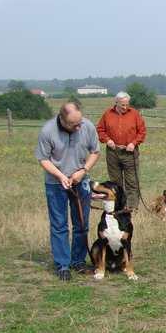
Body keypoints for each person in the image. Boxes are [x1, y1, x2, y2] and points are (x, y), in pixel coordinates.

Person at [34, 101, 100, 281]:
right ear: (62, 119)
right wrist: (60, 176)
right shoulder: (48, 131)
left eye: (80, 122)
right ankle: (62, 264)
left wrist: (83, 171)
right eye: (74, 124)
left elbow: (95, 152)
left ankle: (78, 261)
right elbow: (43, 159)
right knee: (59, 224)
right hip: (55, 184)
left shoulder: (87, 126)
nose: (79, 127)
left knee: (81, 223)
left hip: (81, 181)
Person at [96, 91, 147, 210]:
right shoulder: (107, 114)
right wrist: (107, 140)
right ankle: (118, 206)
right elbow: (100, 129)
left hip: (129, 152)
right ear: (116, 103)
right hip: (113, 152)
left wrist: (133, 143)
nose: (125, 107)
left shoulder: (134, 114)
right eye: (122, 105)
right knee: (115, 182)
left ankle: (132, 208)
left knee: (132, 182)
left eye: (127, 104)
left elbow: (142, 131)